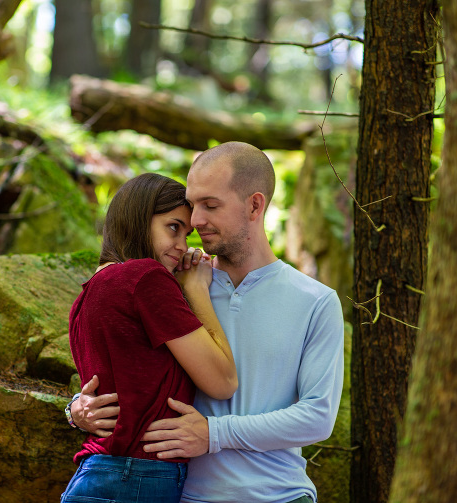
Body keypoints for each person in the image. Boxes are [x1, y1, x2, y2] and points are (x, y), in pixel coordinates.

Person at [69, 142, 345, 503]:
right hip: (183, 494)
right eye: (192, 205)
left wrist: (214, 434)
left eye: (210, 205)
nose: (196, 221)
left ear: (254, 205)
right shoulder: (172, 286)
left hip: (281, 495)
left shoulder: (315, 301)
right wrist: (77, 408)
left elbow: (317, 418)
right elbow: (126, 366)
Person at [61, 173, 239, 503]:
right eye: (173, 227)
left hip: (103, 472)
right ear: (139, 219)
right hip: (136, 480)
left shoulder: (85, 296)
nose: (183, 246)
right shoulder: (145, 277)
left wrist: (73, 410)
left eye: (187, 234)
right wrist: (196, 288)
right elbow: (223, 381)